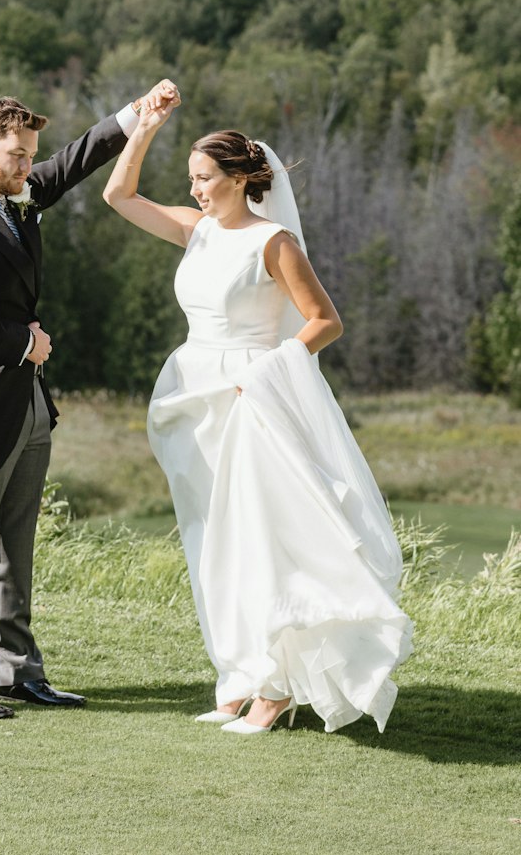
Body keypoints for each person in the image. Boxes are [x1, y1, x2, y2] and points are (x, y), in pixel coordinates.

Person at [103, 91, 414, 735]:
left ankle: (273, 689)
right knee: (208, 543)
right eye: (190, 179)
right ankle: (236, 676)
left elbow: (325, 322)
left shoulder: (273, 243)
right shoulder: (198, 231)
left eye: (204, 179)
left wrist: (270, 371)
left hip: (253, 394)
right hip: (191, 396)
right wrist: (146, 128)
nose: (193, 191)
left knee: (257, 539)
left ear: (241, 178)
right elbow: (118, 197)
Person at [0, 83, 176, 719]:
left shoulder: (15, 191)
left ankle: (18, 672)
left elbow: (74, 161)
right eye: (17, 156)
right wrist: (22, 340)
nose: (31, 167)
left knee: (15, 544)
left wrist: (136, 114)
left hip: (27, 402)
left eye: (32, 155)